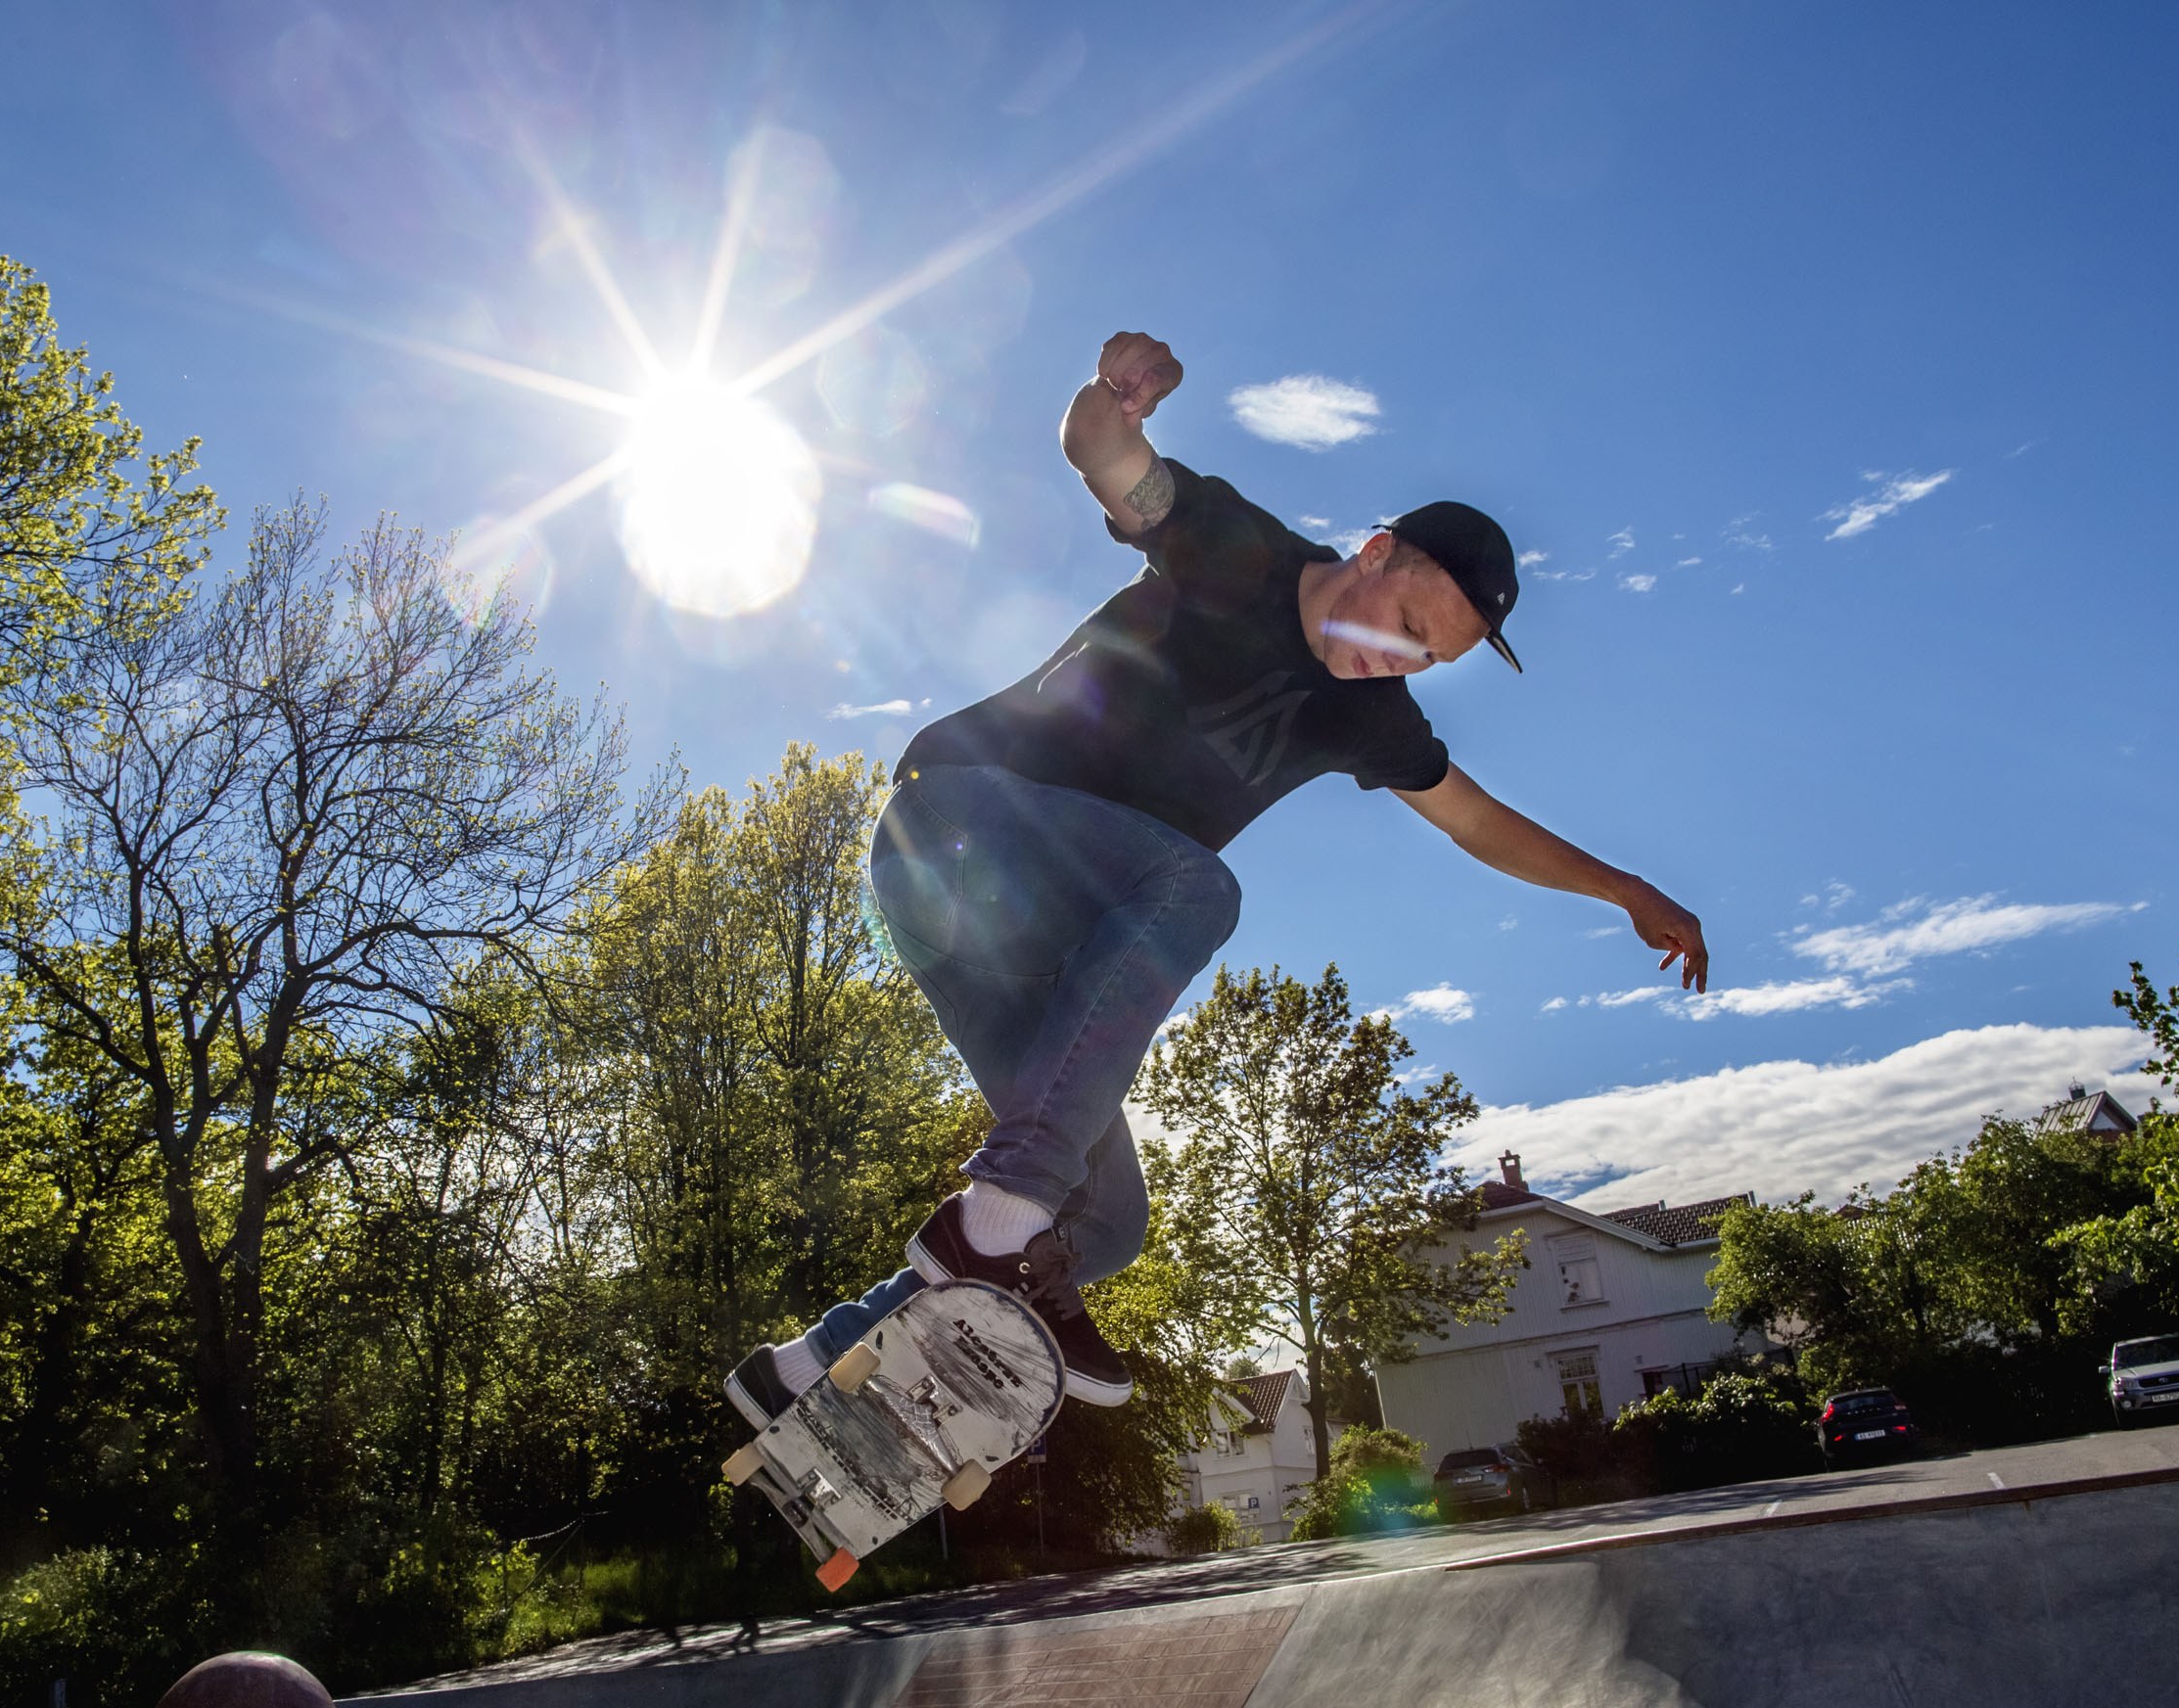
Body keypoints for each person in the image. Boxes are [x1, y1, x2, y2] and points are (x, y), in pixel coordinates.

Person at [724, 329, 1709, 1427]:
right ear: (1378, 551)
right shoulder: (1236, 547)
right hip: (960, 830)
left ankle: (808, 1365)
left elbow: (1476, 822)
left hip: (1029, 952)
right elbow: (1100, 454)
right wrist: (1118, 398)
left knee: (1101, 1226)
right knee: (1199, 891)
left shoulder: (1369, 716)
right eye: (1406, 628)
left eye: (1426, 660)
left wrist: (1627, 889)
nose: (1400, 663)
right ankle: (983, 1236)